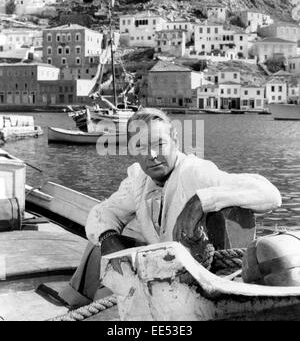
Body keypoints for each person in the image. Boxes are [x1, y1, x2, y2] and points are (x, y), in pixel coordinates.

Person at [60, 108, 282, 307]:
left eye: (159, 144)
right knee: (96, 249)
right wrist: (109, 237)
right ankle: (76, 307)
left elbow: (270, 194)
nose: (152, 155)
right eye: (141, 146)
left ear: (175, 139)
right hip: (161, 279)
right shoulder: (138, 179)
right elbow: (103, 212)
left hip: (197, 286)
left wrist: (200, 201)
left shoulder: (196, 172)